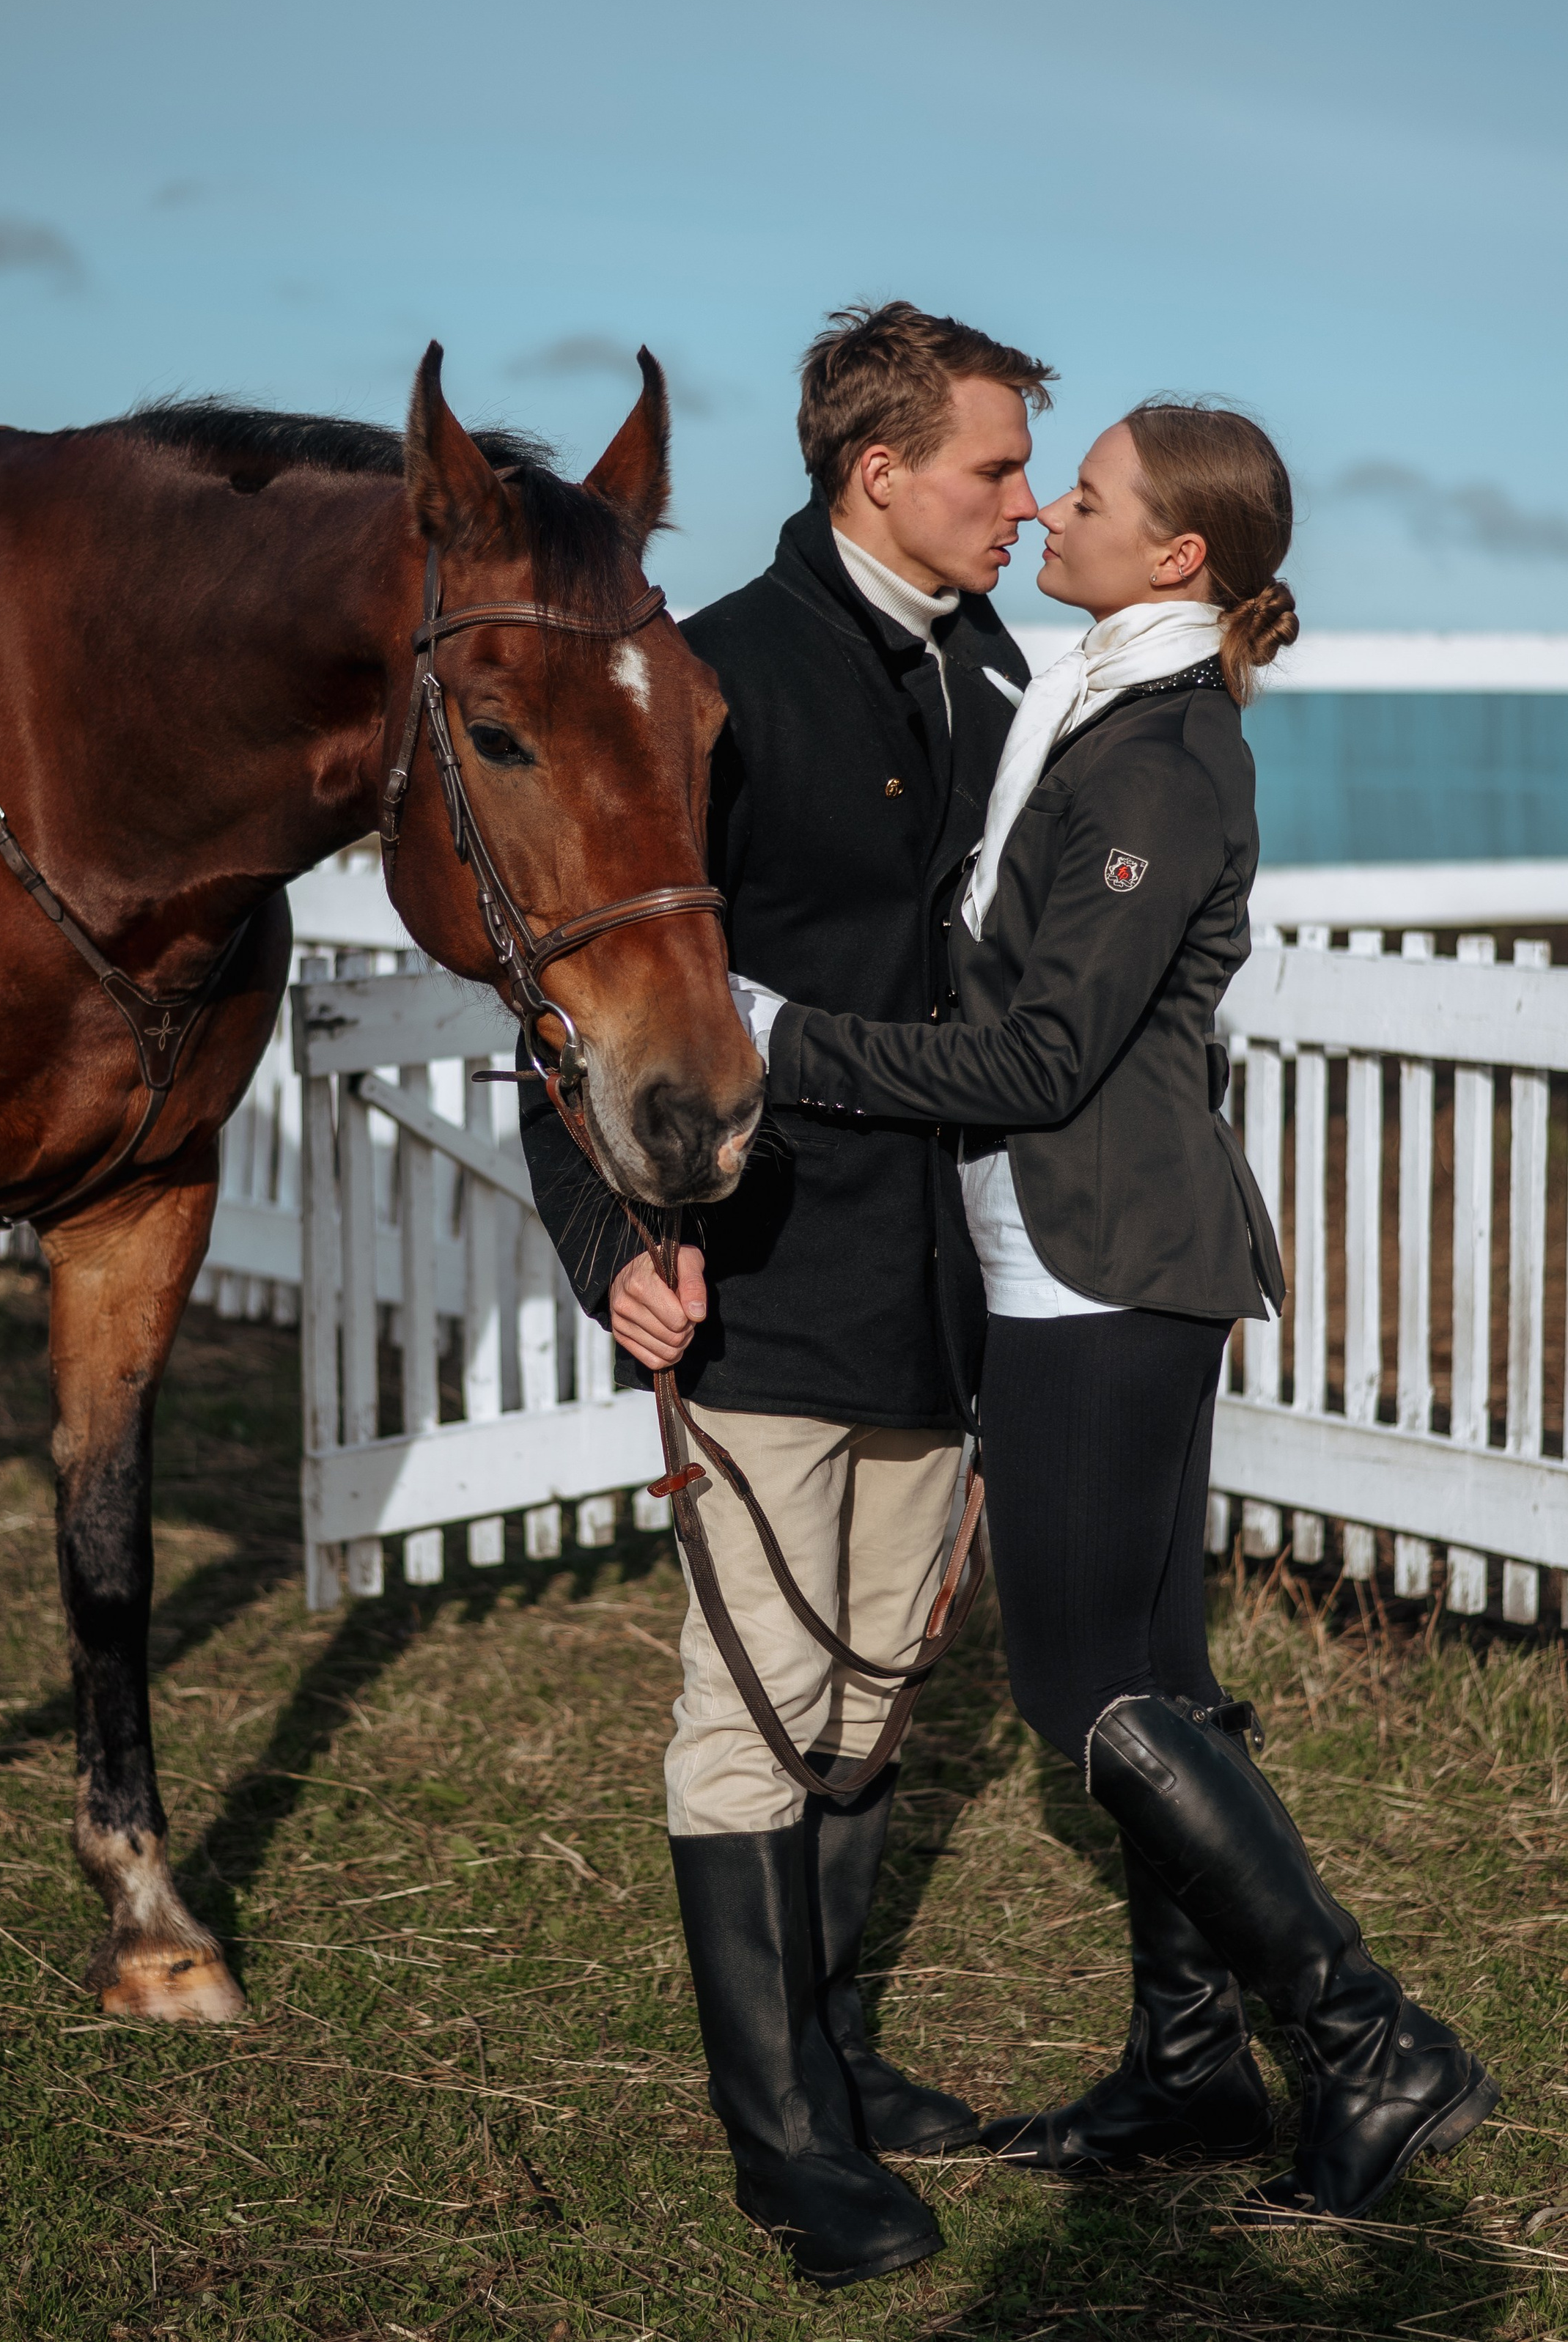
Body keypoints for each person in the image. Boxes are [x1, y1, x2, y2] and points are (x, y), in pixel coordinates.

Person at [740, 399, 1499, 2224]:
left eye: (1079, 495)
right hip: (1075, 1246)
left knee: (1078, 1682)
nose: (1043, 512)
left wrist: (778, 1037)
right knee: (1153, 1678)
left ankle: (1368, 2037)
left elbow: (1042, 1053)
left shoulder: (1155, 756)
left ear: (1175, 554)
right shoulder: (1089, 706)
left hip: (1105, 1256)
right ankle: (1187, 2066)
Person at [522, 302, 1055, 2289]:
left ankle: (831, 2055)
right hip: (756, 1277)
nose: (1023, 504)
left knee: (870, 1692)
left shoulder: (995, 676)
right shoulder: (715, 677)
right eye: (994, 468)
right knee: (751, 1707)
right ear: (877, 471)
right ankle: (782, 2145)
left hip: (944, 1285)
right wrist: (610, 1254)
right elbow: (566, 1011)